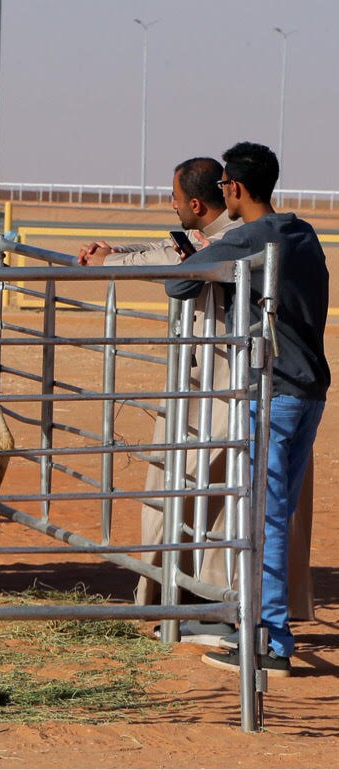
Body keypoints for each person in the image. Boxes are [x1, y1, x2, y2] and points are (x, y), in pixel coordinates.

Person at [164, 142, 328, 678]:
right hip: (308, 391)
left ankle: (271, 642)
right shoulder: (302, 232)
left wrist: (194, 254)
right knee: (272, 512)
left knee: (266, 518)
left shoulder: (248, 240)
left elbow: (180, 283)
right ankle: (260, 626)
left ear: (232, 188)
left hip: (275, 392)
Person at [77, 157, 236, 267]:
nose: (174, 205)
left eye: (176, 198)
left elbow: (169, 258)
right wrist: (114, 251)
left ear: (195, 205)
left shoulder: (231, 236)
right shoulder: (204, 232)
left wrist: (108, 260)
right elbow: (158, 248)